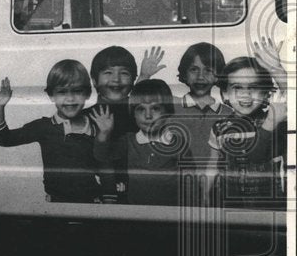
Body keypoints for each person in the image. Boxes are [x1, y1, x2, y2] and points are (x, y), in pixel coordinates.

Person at [0, 60, 100, 203]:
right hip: (56, 204)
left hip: (92, 202)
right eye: (62, 92)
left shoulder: (96, 125)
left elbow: (104, 164)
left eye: (77, 91)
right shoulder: (43, 127)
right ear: (51, 95)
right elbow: (5, 139)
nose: (70, 98)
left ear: (87, 93)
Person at [208, 49, 287, 210]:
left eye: (253, 88)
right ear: (225, 94)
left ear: (266, 94)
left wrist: (275, 70)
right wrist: (204, 192)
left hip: (271, 204)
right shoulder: (219, 127)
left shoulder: (275, 120)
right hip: (231, 203)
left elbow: (292, 95)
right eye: (237, 88)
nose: (246, 95)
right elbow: (212, 164)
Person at [92, 79, 190, 206]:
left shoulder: (177, 143)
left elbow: (189, 179)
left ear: (167, 111)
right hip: (136, 214)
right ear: (133, 114)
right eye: (140, 109)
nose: (148, 115)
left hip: (170, 215)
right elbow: (102, 156)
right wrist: (104, 134)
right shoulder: (129, 141)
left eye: (155, 108)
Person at [88, 45, 164, 202]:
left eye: (124, 73)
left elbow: (134, 103)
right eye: (108, 73)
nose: (116, 79)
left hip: (136, 191)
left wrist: (144, 76)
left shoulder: (139, 112)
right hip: (100, 193)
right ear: (94, 80)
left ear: (133, 80)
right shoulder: (85, 116)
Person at [171, 42, 229, 162]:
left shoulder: (228, 113)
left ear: (218, 76)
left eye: (208, 70)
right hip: (177, 179)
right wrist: (145, 75)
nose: (200, 76)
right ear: (185, 74)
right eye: (194, 69)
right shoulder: (171, 108)